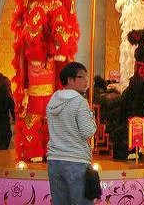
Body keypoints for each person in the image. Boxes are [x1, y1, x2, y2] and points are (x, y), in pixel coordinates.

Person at [46, 62, 97, 205]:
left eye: (87, 77)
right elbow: (88, 131)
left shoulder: (52, 101)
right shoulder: (79, 102)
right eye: (82, 77)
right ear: (69, 80)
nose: (86, 80)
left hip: (54, 161)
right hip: (76, 161)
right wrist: (92, 119)